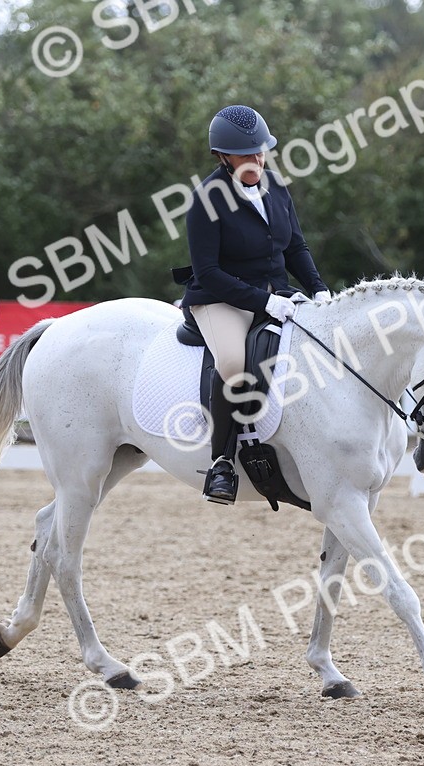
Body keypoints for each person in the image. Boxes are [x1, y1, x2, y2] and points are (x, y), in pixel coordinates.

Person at [181, 104, 331, 505]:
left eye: (260, 151)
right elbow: (208, 272)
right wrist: (264, 301)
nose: (256, 160)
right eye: (245, 155)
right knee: (233, 364)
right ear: (223, 157)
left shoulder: (276, 187)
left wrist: (318, 289)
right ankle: (222, 464)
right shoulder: (205, 200)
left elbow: (295, 246)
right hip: (221, 298)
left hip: (276, 293)